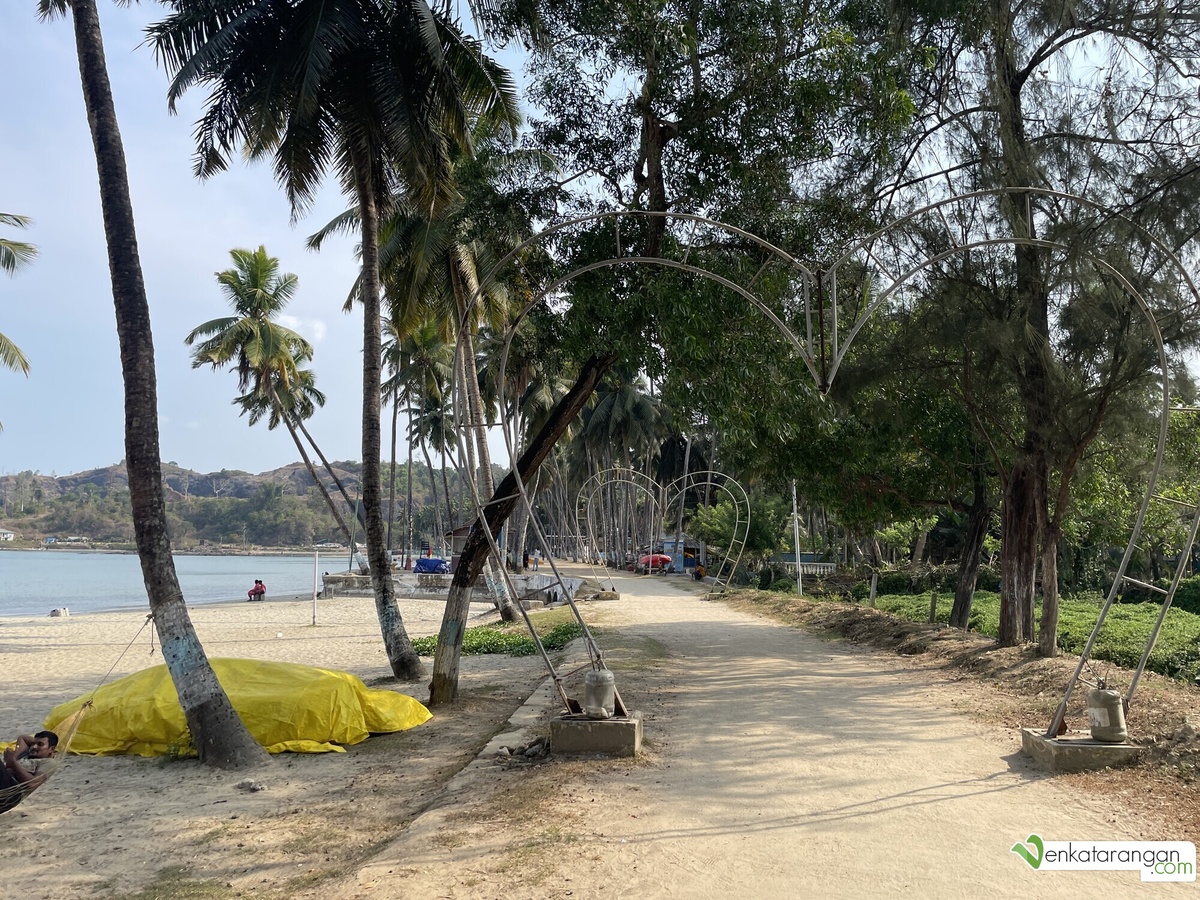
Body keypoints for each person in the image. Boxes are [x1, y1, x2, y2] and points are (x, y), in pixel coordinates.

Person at [0, 730, 59, 813]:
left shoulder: (49, 762)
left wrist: (13, 762)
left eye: (40, 744)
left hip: (10, 794)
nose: (34, 747)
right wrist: (38, 744)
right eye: (33, 744)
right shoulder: (27, 753)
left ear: (52, 749)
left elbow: (32, 784)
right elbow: (23, 737)